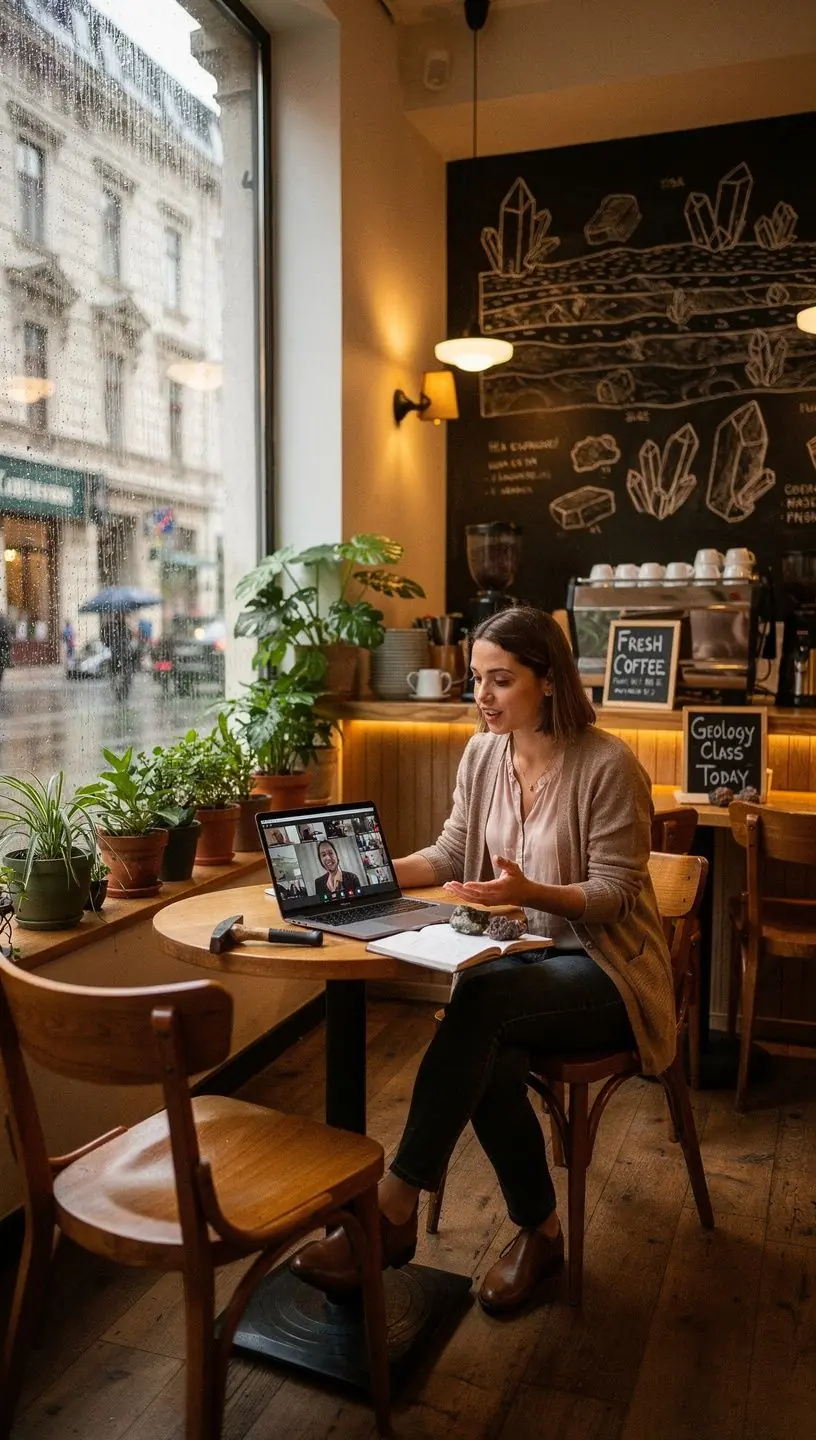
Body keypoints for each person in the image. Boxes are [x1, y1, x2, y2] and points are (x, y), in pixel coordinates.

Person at [291, 606, 676, 1314]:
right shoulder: (482, 753)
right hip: (520, 968)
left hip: (608, 971)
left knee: (482, 1001)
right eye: (477, 679)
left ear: (550, 681)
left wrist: (533, 893)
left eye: (501, 681)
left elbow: (618, 898)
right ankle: (542, 1230)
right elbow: (446, 854)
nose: (483, 697)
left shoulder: (608, 764)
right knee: (487, 1045)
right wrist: (359, 877)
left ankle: (394, 1208)